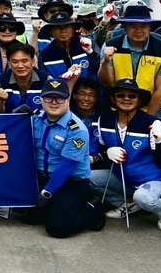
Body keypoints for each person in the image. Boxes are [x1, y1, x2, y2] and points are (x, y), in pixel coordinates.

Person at [89, 79, 161, 231]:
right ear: (113, 99)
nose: (126, 99)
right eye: (120, 95)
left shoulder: (151, 123)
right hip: (125, 179)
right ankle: (129, 205)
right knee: (86, 177)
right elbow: (100, 149)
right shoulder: (104, 120)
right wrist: (106, 152)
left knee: (144, 198)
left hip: (158, 181)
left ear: (139, 100)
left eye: (132, 96)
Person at [27, 77, 105, 238]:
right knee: (29, 218)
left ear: (68, 100)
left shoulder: (77, 130)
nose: (54, 102)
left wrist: (46, 193)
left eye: (60, 97)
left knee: (57, 228)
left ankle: (92, 209)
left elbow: (66, 168)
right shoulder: (35, 119)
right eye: (49, 97)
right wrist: (16, 117)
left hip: (71, 182)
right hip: (43, 177)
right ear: (41, 99)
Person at [97, 3, 161, 117]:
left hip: (154, 108)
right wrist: (105, 61)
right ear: (125, 27)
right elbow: (106, 82)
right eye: (133, 26)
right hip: (119, 108)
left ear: (150, 27)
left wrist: (148, 120)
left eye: (143, 26)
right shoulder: (110, 46)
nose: (138, 30)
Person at [36, 10, 95, 82]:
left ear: (73, 29)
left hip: (87, 91)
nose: (63, 31)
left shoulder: (85, 43)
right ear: (51, 32)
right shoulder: (45, 55)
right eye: (58, 27)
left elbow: (98, 64)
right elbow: (44, 81)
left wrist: (91, 52)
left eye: (67, 26)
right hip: (61, 92)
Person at [0, 42, 47, 113]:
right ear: (9, 63)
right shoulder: (0, 82)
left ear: (33, 61)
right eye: (15, 62)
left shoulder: (46, 80)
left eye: (24, 61)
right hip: (11, 122)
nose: (20, 66)